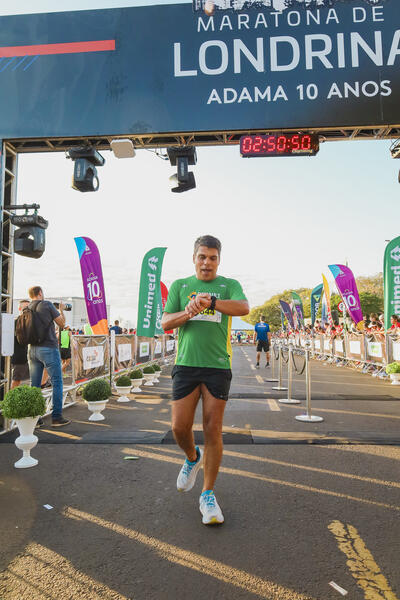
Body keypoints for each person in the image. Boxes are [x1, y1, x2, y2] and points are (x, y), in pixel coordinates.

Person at [161, 235, 249, 525]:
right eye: (202, 257)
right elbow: (164, 323)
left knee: (213, 429)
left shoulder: (228, 285)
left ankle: (208, 495)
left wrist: (212, 301)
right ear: (194, 258)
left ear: (218, 260)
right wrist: (188, 311)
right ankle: (191, 457)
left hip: (217, 366)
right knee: (178, 426)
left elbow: (243, 308)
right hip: (186, 364)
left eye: (212, 258)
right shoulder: (180, 286)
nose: (207, 262)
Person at [27, 287, 70, 427]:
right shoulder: (47, 305)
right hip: (48, 348)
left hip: (32, 349)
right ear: (40, 293)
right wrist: (62, 310)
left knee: (34, 385)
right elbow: (62, 324)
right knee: (57, 382)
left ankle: (35, 419)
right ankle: (56, 417)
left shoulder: (27, 307)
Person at [11, 299, 30, 389]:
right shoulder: (16, 322)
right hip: (17, 357)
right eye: (25, 308)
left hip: (21, 357)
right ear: (19, 308)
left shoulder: (27, 322)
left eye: (28, 308)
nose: (27, 310)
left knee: (16, 380)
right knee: (16, 381)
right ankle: (10, 401)